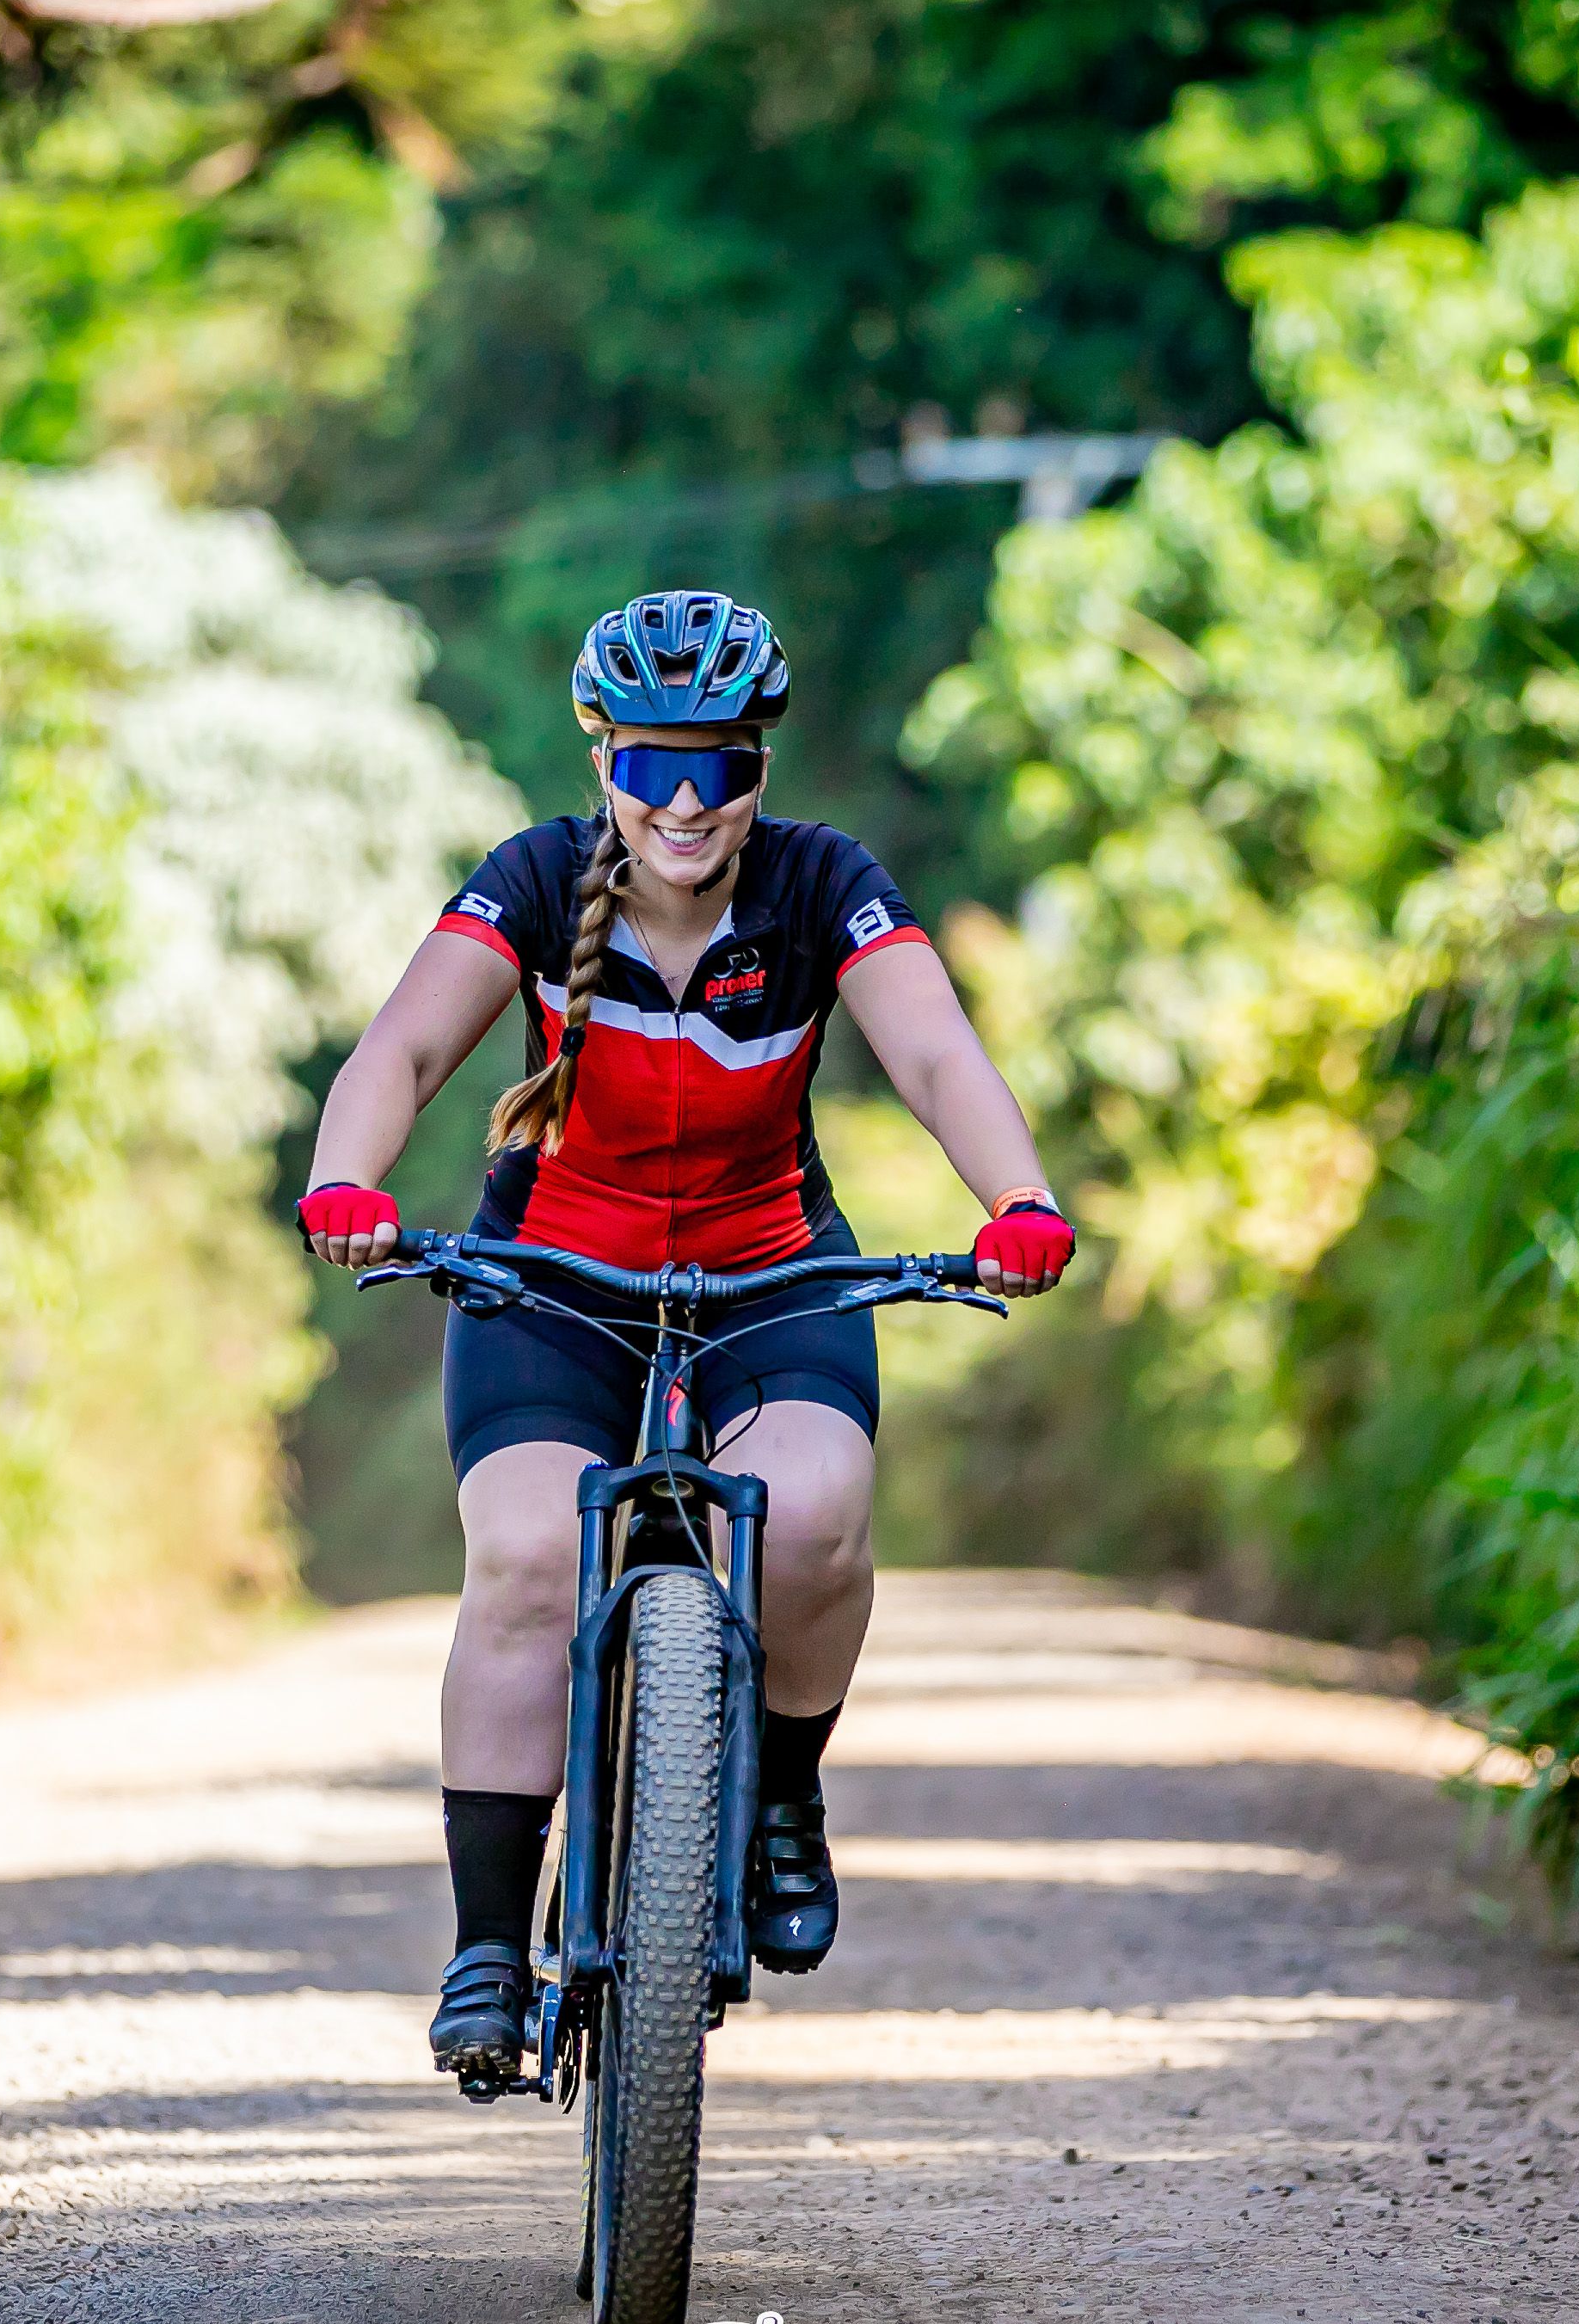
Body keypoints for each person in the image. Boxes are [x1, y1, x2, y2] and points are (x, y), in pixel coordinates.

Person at [294, 589, 1077, 2087]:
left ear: (759, 768)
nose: (685, 801)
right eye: (653, 764)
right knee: (529, 1557)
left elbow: (934, 1051)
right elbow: (403, 1044)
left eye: (719, 765)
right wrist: (348, 1177)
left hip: (769, 1270)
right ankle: (487, 1943)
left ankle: (781, 1797)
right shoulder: (534, 880)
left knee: (817, 1516)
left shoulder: (821, 885)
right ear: (607, 763)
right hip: (552, 1278)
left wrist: (1018, 1198)